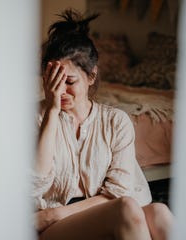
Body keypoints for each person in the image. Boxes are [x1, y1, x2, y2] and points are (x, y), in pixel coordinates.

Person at [33, 9, 173, 240]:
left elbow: (118, 192)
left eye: (69, 81)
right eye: (52, 82)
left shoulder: (116, 122)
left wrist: (55, 214)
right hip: (49, 228)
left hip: (57, 216)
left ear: (91, 76)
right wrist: (52, 111)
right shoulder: (35, 118)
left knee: (159, 212)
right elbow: (32, 187)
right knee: (125, 209)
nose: (60, 91)